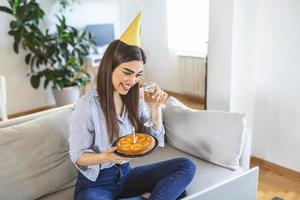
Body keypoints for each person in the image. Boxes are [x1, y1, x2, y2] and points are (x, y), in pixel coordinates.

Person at [68, 13, 196, 200]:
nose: (132, 81)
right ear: (109, 67)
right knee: (177, 192)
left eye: (137, 75)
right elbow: (78, 156)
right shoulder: (87, 106)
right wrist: (106, 157)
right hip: (97, 184)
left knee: (186, 166)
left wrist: (155, 108)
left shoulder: (134, 99)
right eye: (127, 73)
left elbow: (154, 140)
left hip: (127, 175)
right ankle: (151, 197)